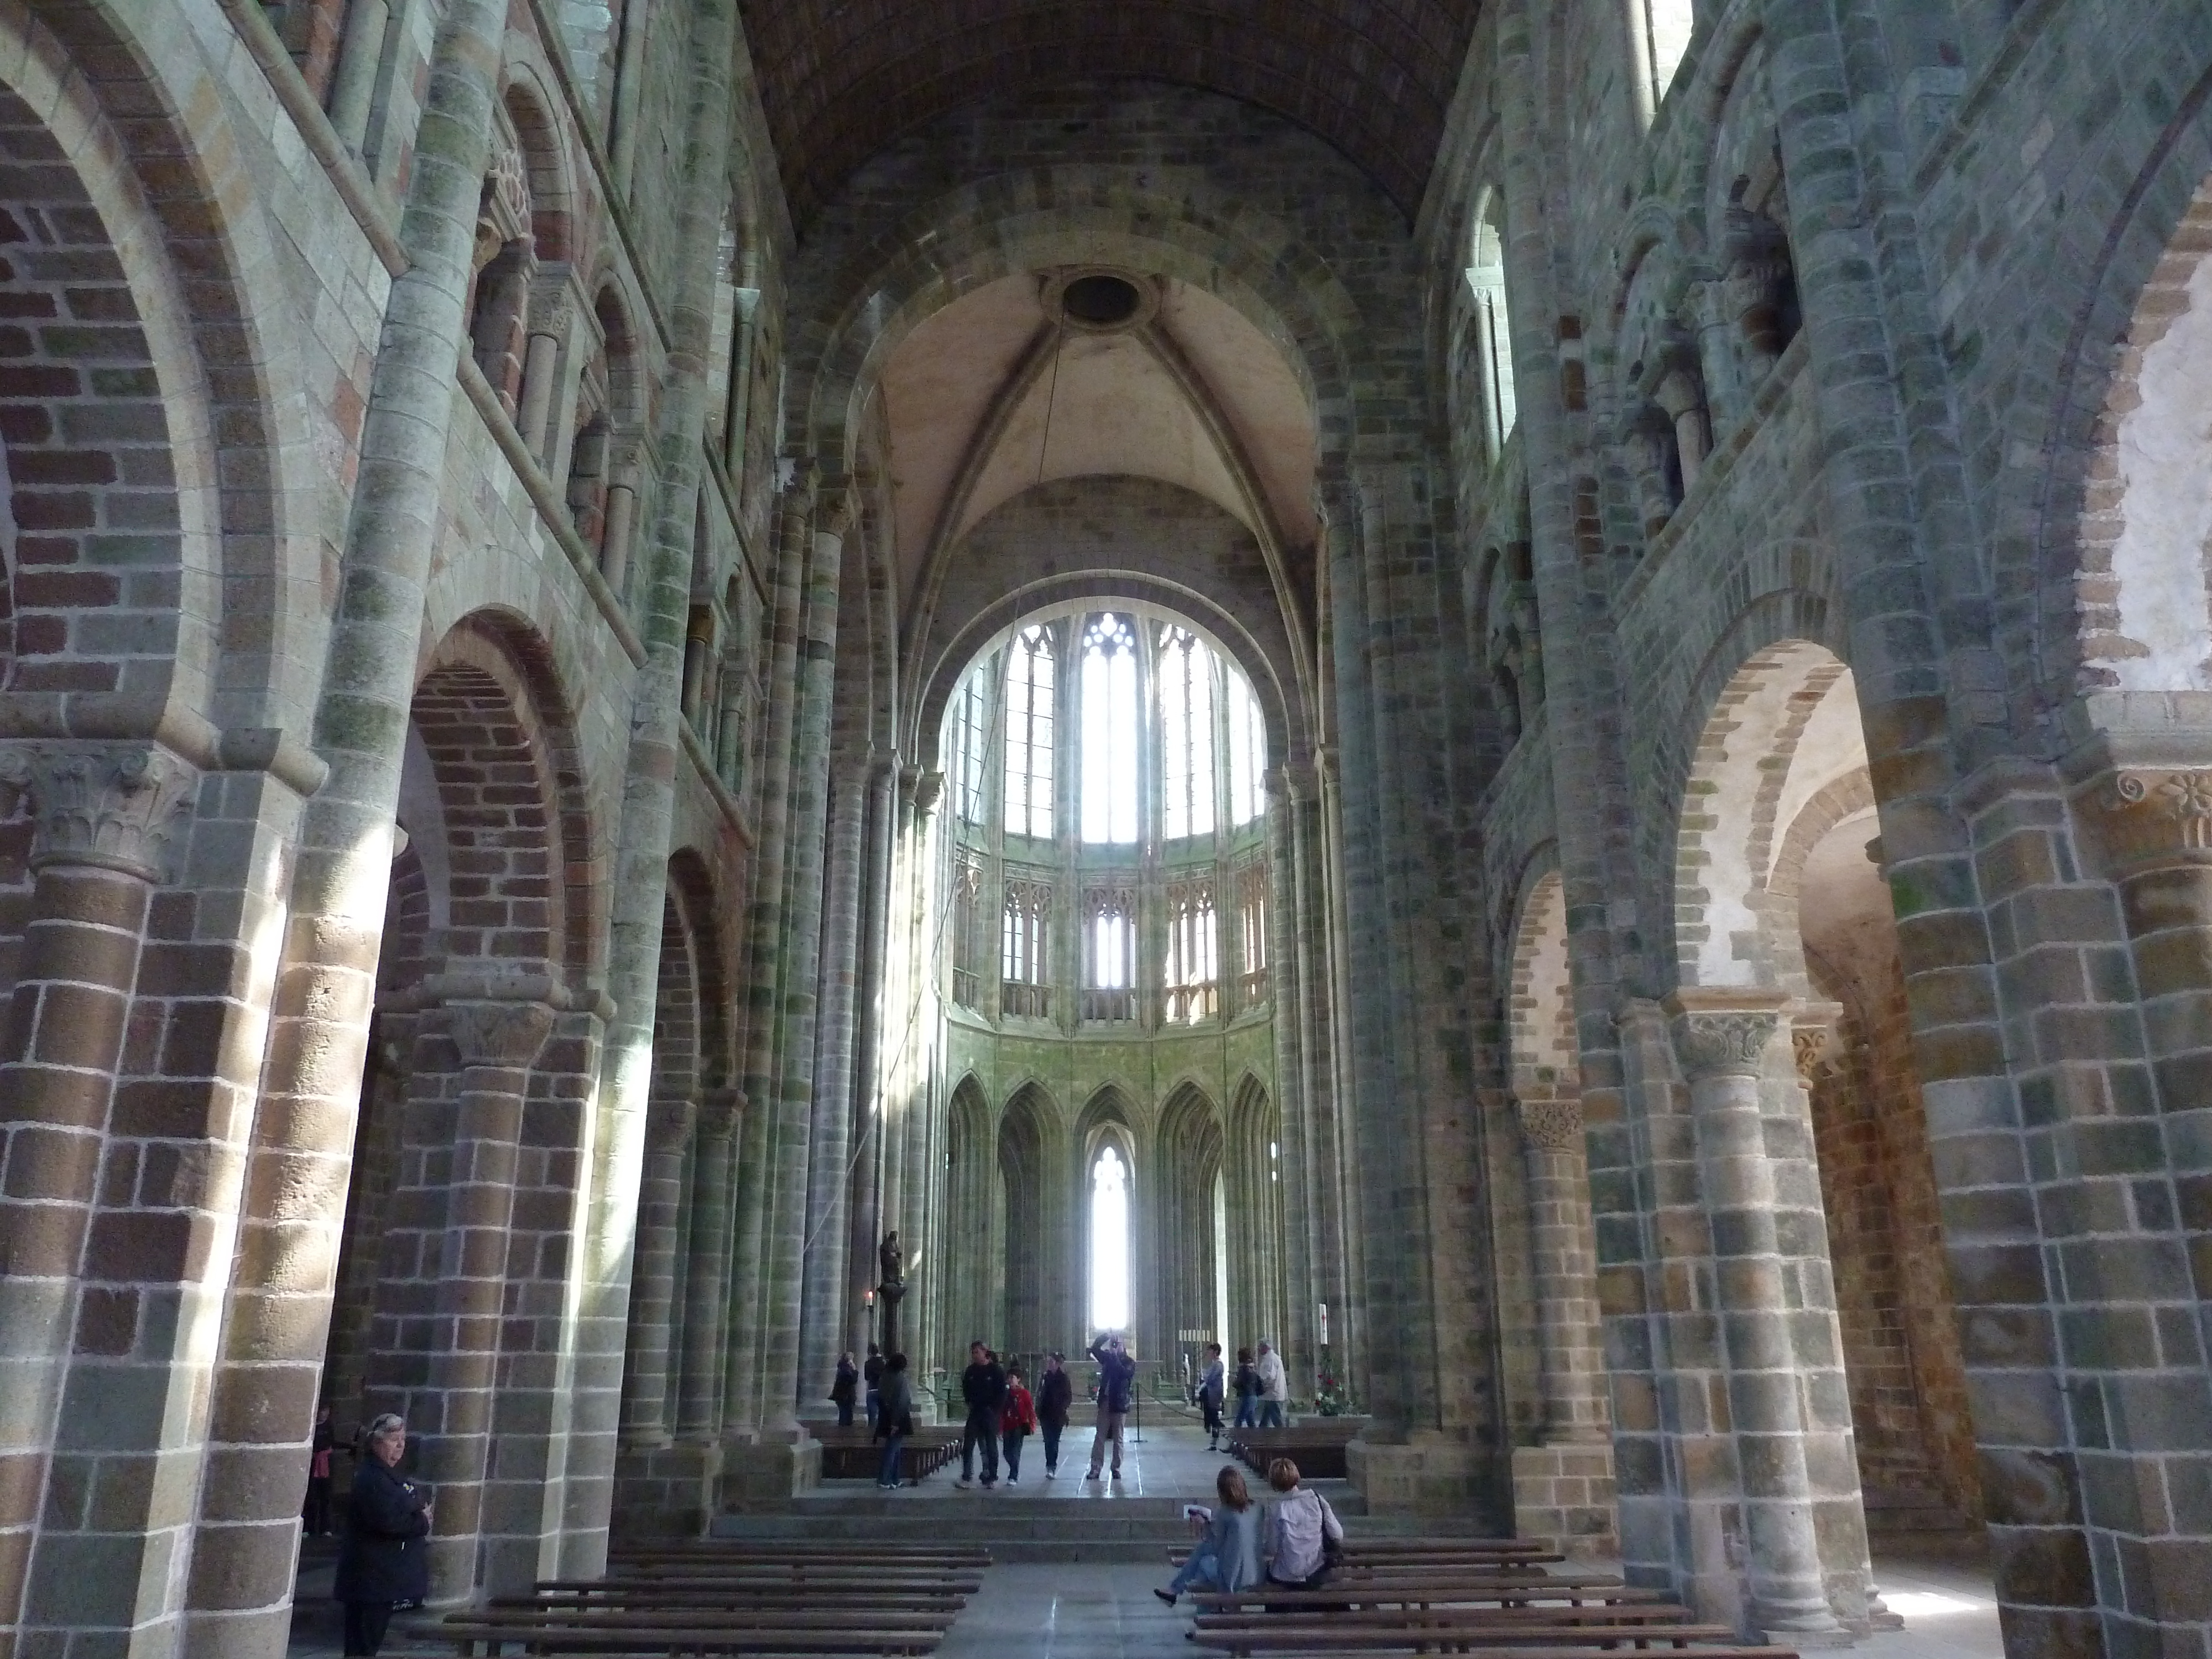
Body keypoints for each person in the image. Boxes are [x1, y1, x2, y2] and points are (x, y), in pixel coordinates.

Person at [332, 1413, 431, 1656]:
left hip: (379, 1582)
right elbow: (388, 1521)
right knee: (362, 1647)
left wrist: (415, 1509)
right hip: (370, 1582)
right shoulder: (372, 1478)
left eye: (403, 1440)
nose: (400, 1445)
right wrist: (422, 1520)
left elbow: (414, 1499)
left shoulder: (388, 1476)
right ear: (377, 1442)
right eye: (394, 1439)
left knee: (368, 1645)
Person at [1154, 1464, 1264, 1604]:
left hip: (1234, 1577)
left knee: (1202, 1561)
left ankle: (1178, 1592)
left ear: (1222, 1492)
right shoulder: (1258, 1509)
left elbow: (1217, 1548)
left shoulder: (1226, 1513)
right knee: (1203, 1558)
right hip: (1256, 1574)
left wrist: (1205, 1525)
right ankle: (1177, 1592)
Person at [1262, 1457, 1342, 1590]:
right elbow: (1337, 1535)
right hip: (1316, 1571)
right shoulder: (1317, 1499)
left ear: (1273, 1482)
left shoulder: (1277, 1508)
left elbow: (1272, 1548)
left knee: (1268, 1576)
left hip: (1286, 1575)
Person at [1084, 1333, 1136, 1481]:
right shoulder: (1107, 1358)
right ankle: (1096, 1467)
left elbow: (1124, 1374)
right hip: (1106, 1402)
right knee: (1100, 1436)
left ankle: (1116, 1467)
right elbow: (1094, 1349)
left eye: (1118, 1344)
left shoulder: (1129, 1362)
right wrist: (1106, 1336)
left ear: (1123, 1346)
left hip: (1119, 1404)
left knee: (1118, 1437)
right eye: (1114, 1343)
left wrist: (1114, 1356)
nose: (1115, 1346)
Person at [955, 1340, 1005, 1489]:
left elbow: (1002, 1393)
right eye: (973, 1353)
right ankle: (967, 1475)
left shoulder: (996, 1371)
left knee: (990, 1446)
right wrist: (969, 1401)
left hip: (990, 1413)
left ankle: (991, 1477)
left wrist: (995, 1410)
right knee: (968, 1445)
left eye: (977, 1352)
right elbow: (966, 1388)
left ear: (985, 1352)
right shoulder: (971, 1371)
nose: (975, 1355)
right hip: (975, 1412)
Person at [873, 1352, 914, 1489]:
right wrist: (895, 1423)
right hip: (897, 1417)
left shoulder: (885, 1376)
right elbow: (901, 1401)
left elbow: (883, 1397)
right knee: (892, 1450)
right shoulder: (899, 1378)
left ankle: (895, 1479)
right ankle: (884, 1480)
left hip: (886, 1415)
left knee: (896, 1450)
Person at [999, 1364, 1038, 1484]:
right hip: (1007, 1426)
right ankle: (1014, 1470)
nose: (1010, 1380)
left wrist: (1032, 1425)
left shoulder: (1024, 1393)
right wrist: (999, 1429)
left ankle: (1013, 1476)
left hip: (1019, 1426)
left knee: (1015, 1451)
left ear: (1018, 1379)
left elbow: (1030, 1410)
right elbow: (1001, 1412)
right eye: (1009, 1378)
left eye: (1013, 1378)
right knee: (1006, 1452)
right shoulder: (1005, 1394)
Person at [1037, 1352, 1072, 1478]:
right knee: (1048, 1441)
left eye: (1051, 1362)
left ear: (1057, 1364)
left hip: (1058, 1415)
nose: (1049, 1365)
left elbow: (1068, 1397)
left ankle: (1053, 1466)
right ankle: (1049, 1466)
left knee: (1054, 1441)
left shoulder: (1063, 1378)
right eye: (1048, 1362)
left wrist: (1062, 1407)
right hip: (1045, 1414)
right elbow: (1040, 1393)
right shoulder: (1045, 1377)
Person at [303, 1402, 336, 1536]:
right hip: (313, 1463)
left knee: (325, 1497)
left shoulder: (329, 1426)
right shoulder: (311, 1427)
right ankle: (308, 1527)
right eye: (323, 1411)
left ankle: (326, 1528)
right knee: (311, 1497)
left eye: (327, 1411)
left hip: (325, 1464)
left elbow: (330, 1441)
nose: (325, 1414)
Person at [1197, 1342, 1227, 1452]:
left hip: (1214, 1394)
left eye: (1210, 1351)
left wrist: (1205, 1376)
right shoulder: (1214, 1364)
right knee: (1212, 1417)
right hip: (1211, 1394)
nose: (1208, 1353)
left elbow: (1210, 1379)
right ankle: (1213, 1438)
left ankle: (1214, 1442)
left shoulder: (1218, 1365)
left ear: (1215, 1352)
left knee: (1214, 1418)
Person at [1256, 1340, 1287, 1430]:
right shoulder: (1272, 1358)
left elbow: (1270, 1377)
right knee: (1267, 1415)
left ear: (1266, 1347)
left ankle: (1282, 1433)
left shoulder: (1270, 1359)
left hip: (1272, 1392)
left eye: (1260, 1346)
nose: (1259, 1349)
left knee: (1275, 1417)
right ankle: (1262, 1431)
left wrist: (1261, 1384)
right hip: (1271, 1393)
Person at [1232, 1346, 1261, 1430]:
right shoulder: (1253, 1367)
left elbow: (1240, 1382)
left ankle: (1236, 1439)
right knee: (1250, 1421)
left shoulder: (1244, 1369)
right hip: (1253, 1396)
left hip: (1246, 1396)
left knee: (1239, 1420)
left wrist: (1234, 1383)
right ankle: (1254, 1439)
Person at [830, 1350, 859, 1427]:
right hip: (846, 1396)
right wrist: (855, 1370)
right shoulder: (846, 1369)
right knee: (846, 1418)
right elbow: (853, 1380)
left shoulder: (842, 1367)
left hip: (843, 1395)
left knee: (844, 1415)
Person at [863, 1342, 885, 1431]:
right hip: (883, 1390)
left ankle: (871, 1434)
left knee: (872, 1417)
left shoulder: (868, 1363)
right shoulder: (884, 1363)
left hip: (872, 1389)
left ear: (870, 1353)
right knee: (883, 1415)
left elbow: (867, 1377)